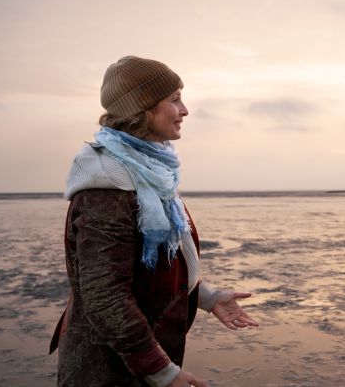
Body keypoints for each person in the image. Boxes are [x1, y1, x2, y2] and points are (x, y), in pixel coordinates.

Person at [49, 55, 258, 387]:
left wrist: (207, 297)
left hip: (137, 363)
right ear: (143, 109)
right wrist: (159, 370)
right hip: (108, 370)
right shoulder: (109, 186)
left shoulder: (148, 172)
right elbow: (105, 296)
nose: (185, 110)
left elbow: (153, 269)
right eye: (174, 99)